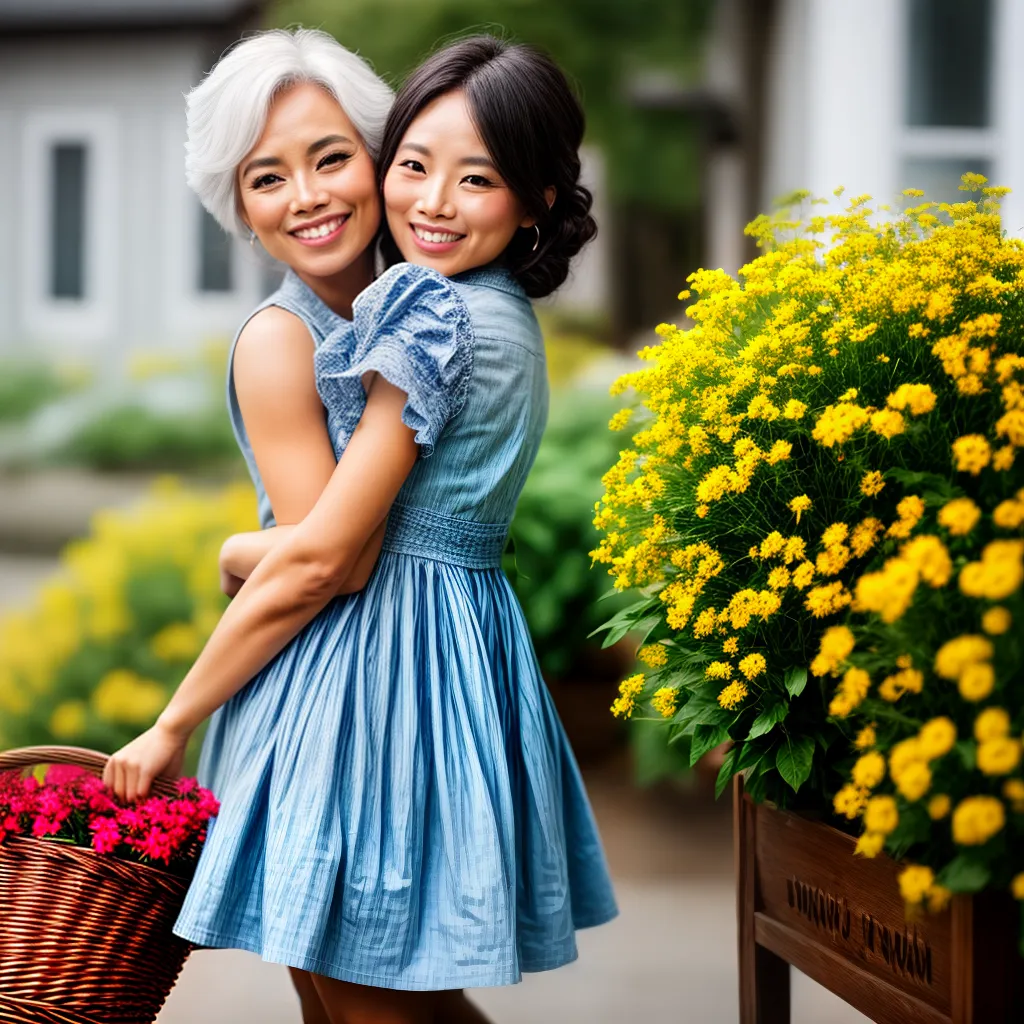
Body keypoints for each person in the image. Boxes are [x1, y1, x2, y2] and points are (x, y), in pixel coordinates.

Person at [106, 33, 617, 1024]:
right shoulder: (322, 329)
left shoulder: (434, 308)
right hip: (374, 672)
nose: (307, 195)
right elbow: (336, 548)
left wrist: (226, 575)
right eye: (267, 176)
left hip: (384, 681)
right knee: (355, 992)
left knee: (366, 996)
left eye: (332, 157)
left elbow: (331, 557)